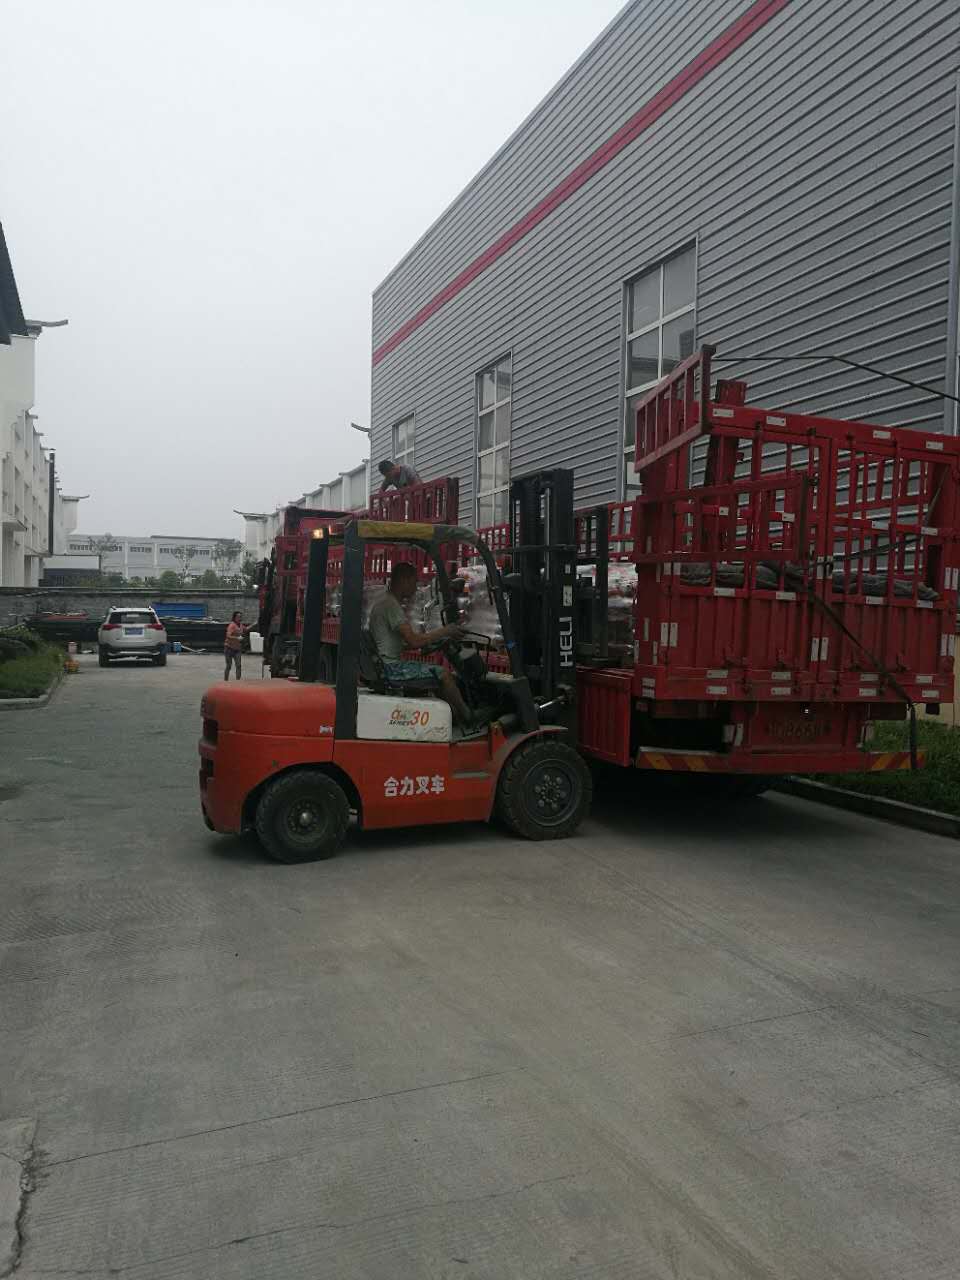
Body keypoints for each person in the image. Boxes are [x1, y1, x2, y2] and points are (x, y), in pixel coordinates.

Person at [367, 562, 473, 726]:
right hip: (392, 669)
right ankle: (469, 718)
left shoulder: (384, 603)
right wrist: (445, 631)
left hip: (384, 666)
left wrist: (430, 641)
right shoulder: (391, 606)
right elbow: (414, 640)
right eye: (414, 582)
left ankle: (451, 718)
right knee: (444, 674)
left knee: (436, 676)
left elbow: (401, 642)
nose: (416, 588)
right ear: (404, 580)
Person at [224, 611, 248, 681]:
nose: (240, 618)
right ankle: (226, 681)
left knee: (238, 665)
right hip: (229, 648)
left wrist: (255, 623)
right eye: (238, 617)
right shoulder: (232, 625)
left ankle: (238, 681)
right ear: (234, 617)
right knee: (229, 666)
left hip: (237, 649)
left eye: (240, 616)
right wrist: (237, 638)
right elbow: (228, 636)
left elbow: (246, 629)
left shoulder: (241, 625)